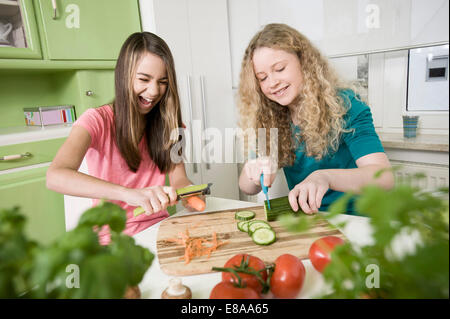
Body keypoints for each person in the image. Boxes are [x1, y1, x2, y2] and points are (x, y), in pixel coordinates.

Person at [47, 32, 196, 245]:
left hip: (159, 229)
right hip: (113, 240)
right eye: (144, 79)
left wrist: (191, 193)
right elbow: (55, 176)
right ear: (124, 75)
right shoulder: (96, 120)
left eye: (163, 82)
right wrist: (129, 194)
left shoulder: (172, 126)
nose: (154, 92)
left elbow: (179, 178)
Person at [237, 23, 394, 215]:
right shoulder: (270, 118)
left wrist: (325, 177)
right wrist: (252, 169)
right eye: (262, 78)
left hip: (358, 219)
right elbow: (248, 188)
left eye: (279, 69)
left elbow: (384, 179)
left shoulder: (346, 105)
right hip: (311, 221)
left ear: (304, 62)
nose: (272, 82)